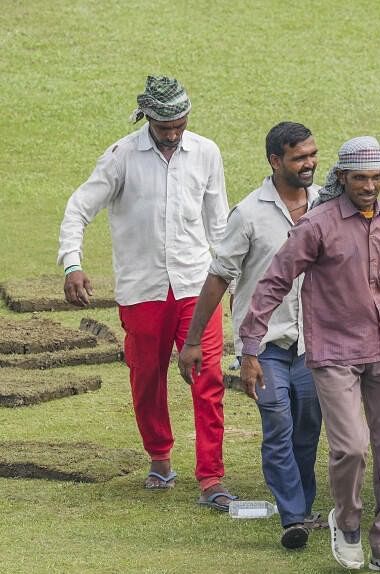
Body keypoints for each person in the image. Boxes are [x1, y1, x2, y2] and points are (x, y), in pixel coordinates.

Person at [239, 136, 380, 574]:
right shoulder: (318, 225)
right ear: (342, 177)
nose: (369, 187)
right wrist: (250, 346)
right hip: (333, 352)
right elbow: (274, 281)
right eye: (360, 178)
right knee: (351, 447)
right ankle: (346, 523)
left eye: (376, 178)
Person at [57, 75, 235, 508]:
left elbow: (220, 225)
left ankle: (211, 478)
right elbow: (79, 208)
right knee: (147, 378)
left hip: (197, 285)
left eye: (179, 125)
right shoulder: (121, 156)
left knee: (208, 379)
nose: (173, 134)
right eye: (163, 127)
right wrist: (73, 264)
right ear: (147, 118)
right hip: (142, 290)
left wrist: (235, 278)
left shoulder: (206, 152)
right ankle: (160, 456)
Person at [177, 122, 323, 550]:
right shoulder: (248, 215)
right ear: (275, 161)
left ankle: (302, 504)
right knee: (278, 423)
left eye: (313, 154)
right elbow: (219, 277)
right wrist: (192, 342)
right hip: (264, 348)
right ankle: (294, 516)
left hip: (314, 344)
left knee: (307, 428)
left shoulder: (327, 207)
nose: (310, 163)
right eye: (299, 157)